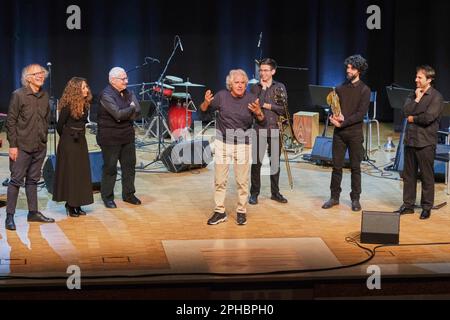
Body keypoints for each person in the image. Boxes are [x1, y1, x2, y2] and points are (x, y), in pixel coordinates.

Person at [200, 69, 264, 226]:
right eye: (237, 82)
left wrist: (259, 112)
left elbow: (261, 120)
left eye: (243, 83)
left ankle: (241, 211)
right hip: (223, 143)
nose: (240, 85)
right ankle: (219, 211)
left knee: (242, 181)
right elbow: (203, 111)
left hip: (243, 144)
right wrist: (206, 102)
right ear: (230, 84)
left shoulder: (251, 98)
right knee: (220, 180)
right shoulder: (222, 96)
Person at [5, 64, 56, 231]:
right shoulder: (18, 95)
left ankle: (32, 212)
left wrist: (43, 139)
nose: (40, 76)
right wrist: (13, 146)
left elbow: (46, 119)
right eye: (36, 74)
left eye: (42, 73)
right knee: (16, 181)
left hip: (39, 146)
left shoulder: (44, 96)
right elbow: (10, 122)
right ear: (28, 78)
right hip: (22, 147)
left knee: (33, 180)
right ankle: (9, 216)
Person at [322, 55, 371, 212]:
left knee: (355, 167)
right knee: (336, 167)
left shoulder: (365, 90)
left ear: (359, 70)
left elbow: (360, 114)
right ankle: (334, 197)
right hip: (339, 134)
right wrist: (332, 118)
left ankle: (355, 198)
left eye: (351, 68)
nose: (348, 70)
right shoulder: (340, 88)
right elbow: (333, 107)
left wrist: (344, 122)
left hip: (355, 134)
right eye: (347, 67)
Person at [395, 65, 444, 220]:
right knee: (408, 175)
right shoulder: (413, 94)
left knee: (426, 176)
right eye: (416, 77)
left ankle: (426, 207)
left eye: (419, 77)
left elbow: (428, 118)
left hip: (425, 141)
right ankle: (408, 205)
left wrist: (413, 118)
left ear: (428, 79)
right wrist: (416, 99)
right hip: (410, 140)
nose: (416, 79)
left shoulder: (436, 97)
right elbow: (405, 112)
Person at [97, 67, 141, 209]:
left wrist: (129, 110)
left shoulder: (128, 92)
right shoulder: (106, 94)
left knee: (129, 166)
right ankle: (107, 196)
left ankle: (129, 194)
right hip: (110, 137)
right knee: (110, 168)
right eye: (123, 79)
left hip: (127, 135)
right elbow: (118, 115)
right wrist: (130, 108)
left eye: (126, 78)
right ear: (113, 80)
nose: (126, 81)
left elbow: (138, 110)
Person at [53, 77, 94, 217]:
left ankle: (78, 203)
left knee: (81, 173)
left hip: (81, 140)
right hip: (69, 142)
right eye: (83, 88)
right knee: (71, 173)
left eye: (86, 87)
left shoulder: (85, 103)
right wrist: (67, 136)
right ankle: (70, 204)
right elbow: (59, 126)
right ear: (76, 90)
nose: (86, 90)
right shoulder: (67, 105)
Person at [249, 58, 288, 205]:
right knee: (256, 163)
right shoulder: (255, 88)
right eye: (261, 70)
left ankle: (275, 193)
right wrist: (264, 90)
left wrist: (266, 105)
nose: (262, 73)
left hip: (275, 128)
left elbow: (283, 109)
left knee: (275, 163)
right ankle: (254, 193)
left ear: (273, 71)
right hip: (259, 129)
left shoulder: (280, 87)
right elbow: (254, 105)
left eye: (265, 70)